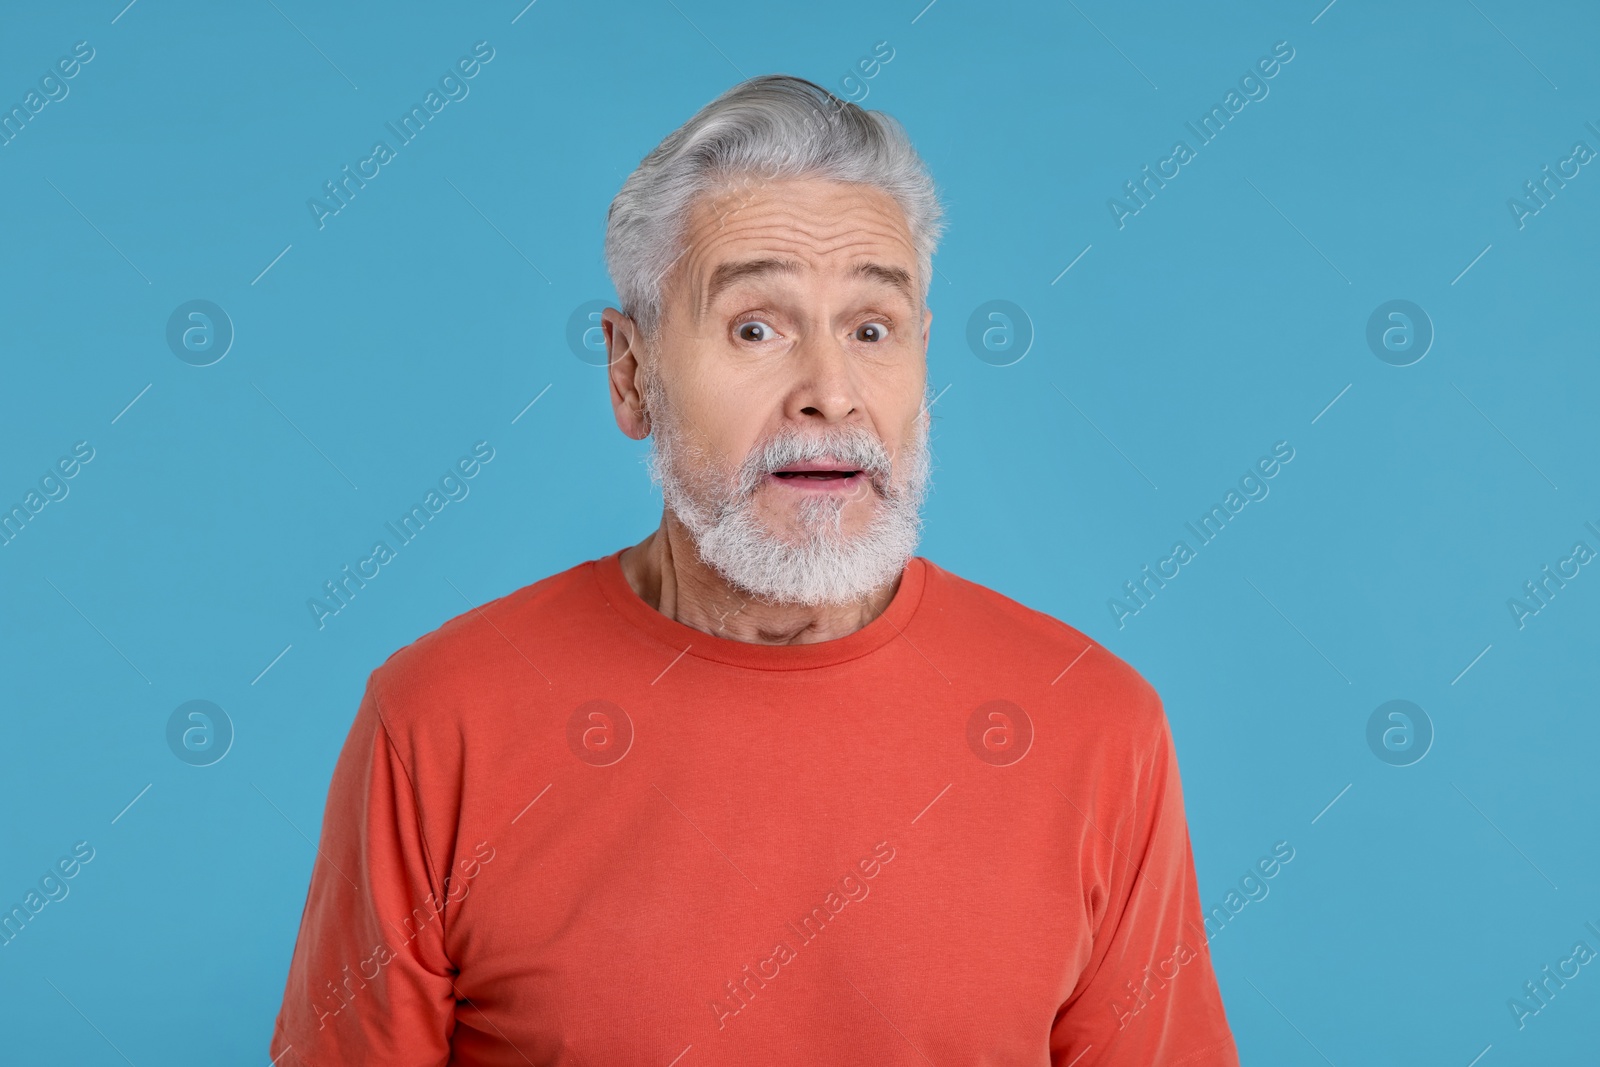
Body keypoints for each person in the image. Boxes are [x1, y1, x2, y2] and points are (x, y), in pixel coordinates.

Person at [269, 73, 1238, 1066]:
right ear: (630, 370)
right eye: (755, 328)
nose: (829, 392)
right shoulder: (437, 722)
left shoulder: (1096, 727)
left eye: (871, 328)